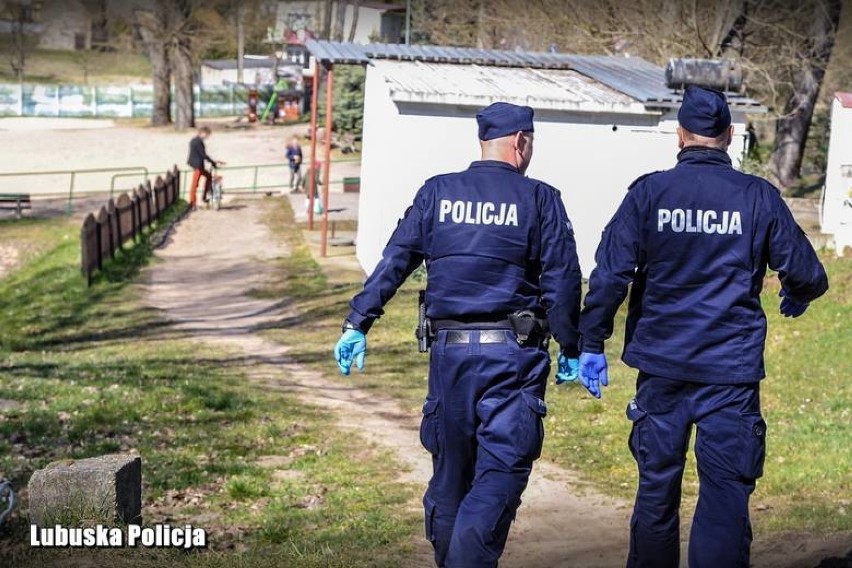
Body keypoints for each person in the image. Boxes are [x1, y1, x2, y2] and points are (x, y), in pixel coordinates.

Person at [577, 86, 829, 568]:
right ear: (729, 136)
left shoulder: (649, 193)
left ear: (680, 136)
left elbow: (611, 274)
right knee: (724, 499)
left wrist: (593, 341)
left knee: (656, 493)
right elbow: (808, 273)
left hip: (662, 370)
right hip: (728, 377)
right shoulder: (757, 197)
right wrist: (796, 292)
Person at [333, 102, 583, 568]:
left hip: (449, 360)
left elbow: (395, 261)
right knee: (501, 471)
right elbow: (562, 281)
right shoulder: (540, 199)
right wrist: (573, 345)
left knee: (450, 478)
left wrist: (357, 322)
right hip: (513, 360)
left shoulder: (437, 193)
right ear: (521, 142)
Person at [187, 126, 224, 210]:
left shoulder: (195, 140)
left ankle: (204, 197)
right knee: (195, 184)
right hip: (197, 165)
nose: (207, 137)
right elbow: (203, 155)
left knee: (208, 177)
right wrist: (213, 162)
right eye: (207, 135)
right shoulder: (197, 142)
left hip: (198, 164)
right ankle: (193, 202)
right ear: (203, 133)